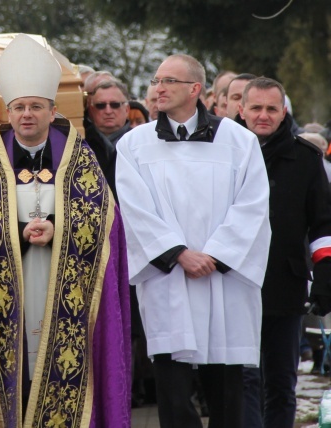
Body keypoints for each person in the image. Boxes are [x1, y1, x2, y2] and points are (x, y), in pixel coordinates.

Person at [0, 33, 131, 428]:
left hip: (62, 283)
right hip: (7, 293)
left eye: (36, 106)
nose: (27, 114)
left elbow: (105, 225)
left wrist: (59, 232)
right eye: (19, 107)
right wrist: (17, 234)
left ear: (53, 112)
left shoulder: (80, 161)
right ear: (7, 113)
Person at [115, 54, 271, 428]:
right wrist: (179, 254)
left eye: (168, 81)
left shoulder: (239, 141)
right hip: (170, 278)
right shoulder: (134, 145)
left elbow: (253, 207)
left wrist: (214, 256)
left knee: (227, 393)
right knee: (173, 392)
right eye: (156, 81)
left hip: (223, 280)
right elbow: (135, 210)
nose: (158, 88)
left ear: (194, 89)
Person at [236, 77, 331, 428]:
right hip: (233, 280)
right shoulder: (222, 155)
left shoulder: (306, 158)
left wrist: (324, 278)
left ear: (283, 112)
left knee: (280, 381)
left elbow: (323, 225)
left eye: (271, 108)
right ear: (241, 110)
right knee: (244, 378)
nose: (263, 115)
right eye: (256, 108)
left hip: (284, 284)